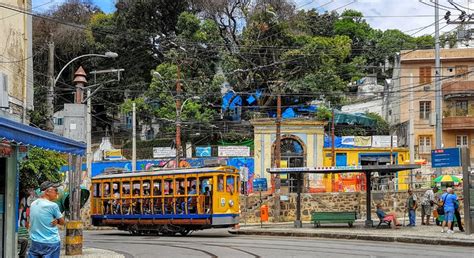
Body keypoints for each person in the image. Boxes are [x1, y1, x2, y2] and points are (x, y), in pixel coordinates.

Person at [28, 181, 64, 258]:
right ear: (48, 191)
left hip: (35, 242)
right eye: (55, 190)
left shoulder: (33, 204)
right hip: (50, 243)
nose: (57, 193)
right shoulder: (53, 205)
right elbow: (62, 222)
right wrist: (57, 221)